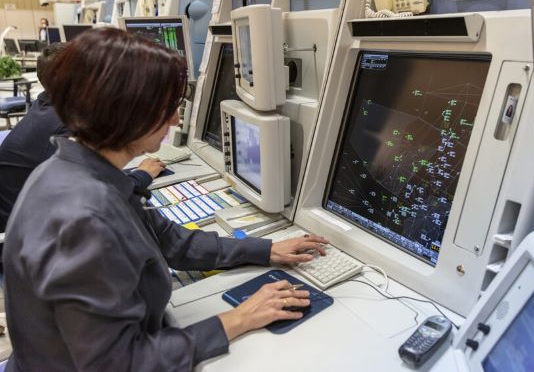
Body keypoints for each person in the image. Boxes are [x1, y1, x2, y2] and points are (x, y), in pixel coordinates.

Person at [3, 27, 328, 372]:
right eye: (168, 108)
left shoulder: (77, 168)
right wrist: (236, 319)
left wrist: (266, 250)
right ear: (128, 112)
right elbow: (121, 365)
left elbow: (168, 239)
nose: (175, 119)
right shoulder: (86, 219)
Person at [0, 42, 165, 233]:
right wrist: (141, 175)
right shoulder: (64, 129)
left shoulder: (46, 104)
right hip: (25, 237)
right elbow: (96, 195)